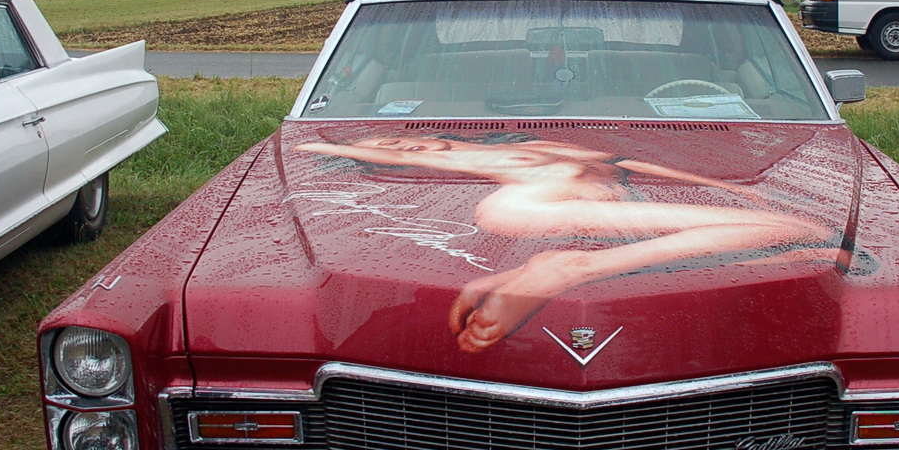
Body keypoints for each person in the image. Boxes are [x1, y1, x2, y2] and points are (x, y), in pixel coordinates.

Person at [297, 134, 832, 354]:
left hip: (587, 205)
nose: (403, 143)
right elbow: (310, 140)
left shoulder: (527, 141)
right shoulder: (464, 161)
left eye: (395, 138)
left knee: (803, 240)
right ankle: (572, 268)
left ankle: (576, 266)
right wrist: (344, 142)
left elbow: (629, 165)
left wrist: (732, 193)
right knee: (807, 234)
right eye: (387, 149)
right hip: (522, 209)